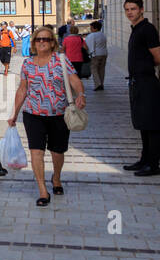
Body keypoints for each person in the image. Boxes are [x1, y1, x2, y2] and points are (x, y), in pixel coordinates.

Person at [7, 26, 85, 206]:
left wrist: (81, 94)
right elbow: (22, 89)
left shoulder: (61, 61)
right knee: (36, 151)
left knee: (57, 151)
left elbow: (75, 81)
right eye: (38, 39)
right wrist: (14, 113)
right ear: (33, 43)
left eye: (46, 39)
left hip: (58, 114)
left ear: (52, 43)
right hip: (33, 114)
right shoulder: (27, 63)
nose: (42, 42)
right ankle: (43, 190)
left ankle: (56, 178)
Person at [123, 0, 160, 176]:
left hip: (147, 82)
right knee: (142, 124)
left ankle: (153, 165)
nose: (130, 12)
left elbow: (159, 57)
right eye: (127, 9)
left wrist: (145, 68)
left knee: (151, 125)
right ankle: (144, 160)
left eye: (133, 9)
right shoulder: (136, 29)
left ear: (141, 10)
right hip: (137, 82)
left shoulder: (147, 30)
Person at [88, 20, 108, 90]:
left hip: (96, 54)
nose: (90, 29)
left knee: (94, 69)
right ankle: (101, 84)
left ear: (95, 28)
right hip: (104, 53)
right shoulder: (103, 34)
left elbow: (90, 46)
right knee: (102, 69)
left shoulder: (92, 35)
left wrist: (90, 54)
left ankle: (98, 84)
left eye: (91, 28)